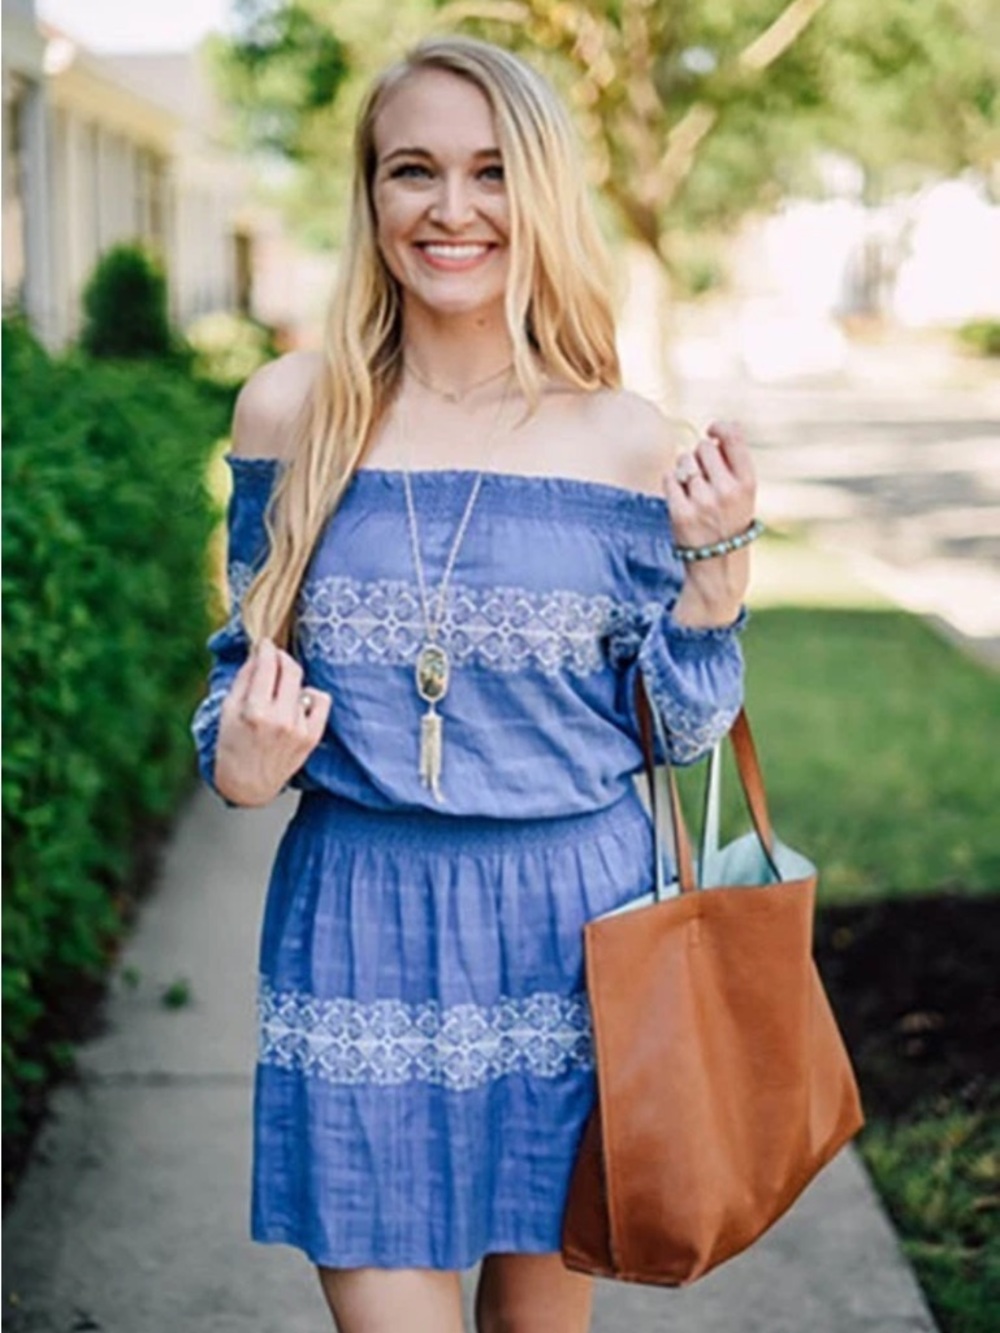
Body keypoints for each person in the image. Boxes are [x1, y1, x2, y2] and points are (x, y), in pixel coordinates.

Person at [191, 33, 757, 1333]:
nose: (453, 209)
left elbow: (673, 730)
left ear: (541, 191)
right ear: (370, 193)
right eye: (415, 171)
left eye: (492, 171)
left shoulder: (624, 439)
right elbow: (239, 678)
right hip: (361, 917)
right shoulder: (291, 410)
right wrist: (239, 757)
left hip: (573, 929)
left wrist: (714, 597)